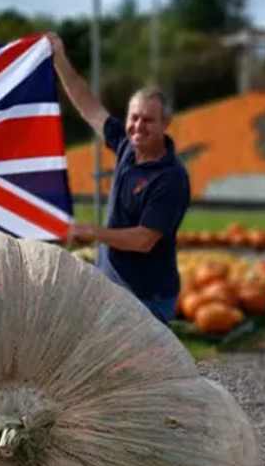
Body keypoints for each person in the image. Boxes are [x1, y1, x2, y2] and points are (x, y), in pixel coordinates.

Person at [47, 32, 190, 324]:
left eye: (148, 120)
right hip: (114, 289)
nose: (138, 126)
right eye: (133, 117)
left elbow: (143, 240)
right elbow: (87, 104)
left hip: (147, 299)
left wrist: (94, 233)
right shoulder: (127, 145)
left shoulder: (171, 178)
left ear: (165, 124)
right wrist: (59, 58)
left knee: (131, 369)